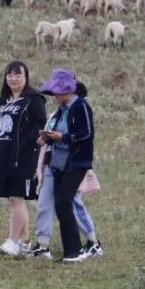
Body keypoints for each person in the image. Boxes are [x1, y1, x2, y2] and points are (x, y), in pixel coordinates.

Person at [37, 69, 95, 263]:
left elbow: (87, 133)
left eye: (56, 92)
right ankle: (71, 251)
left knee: (63, 202)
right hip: (60, 161)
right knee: (61, 203)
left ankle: (75, 251)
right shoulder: (62, 109)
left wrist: (64, 137)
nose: (53, 96)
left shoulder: (81, 106)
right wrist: (48, 137)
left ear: (67, 90)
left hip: (77, 162)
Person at [0, 61, 46, 256]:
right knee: (13, 199)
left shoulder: (34, 99)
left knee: (16, 198)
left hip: (24, 156)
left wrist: (28, 143)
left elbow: (40, 125)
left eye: (17, 74)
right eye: (9, 75)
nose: (13, 78)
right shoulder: (4, 99)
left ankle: (12, 241)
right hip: (4, 154)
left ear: (25, 76)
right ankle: (24, 241)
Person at [28, 128, 103, 260]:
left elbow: (81, 137)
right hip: (50, 164)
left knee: (73, 204)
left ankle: (94, 243)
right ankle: (42, 246)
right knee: (44, 204)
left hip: (68, 165)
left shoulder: (76, 112)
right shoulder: (55, 116)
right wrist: (45, 138)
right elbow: (42, 142)